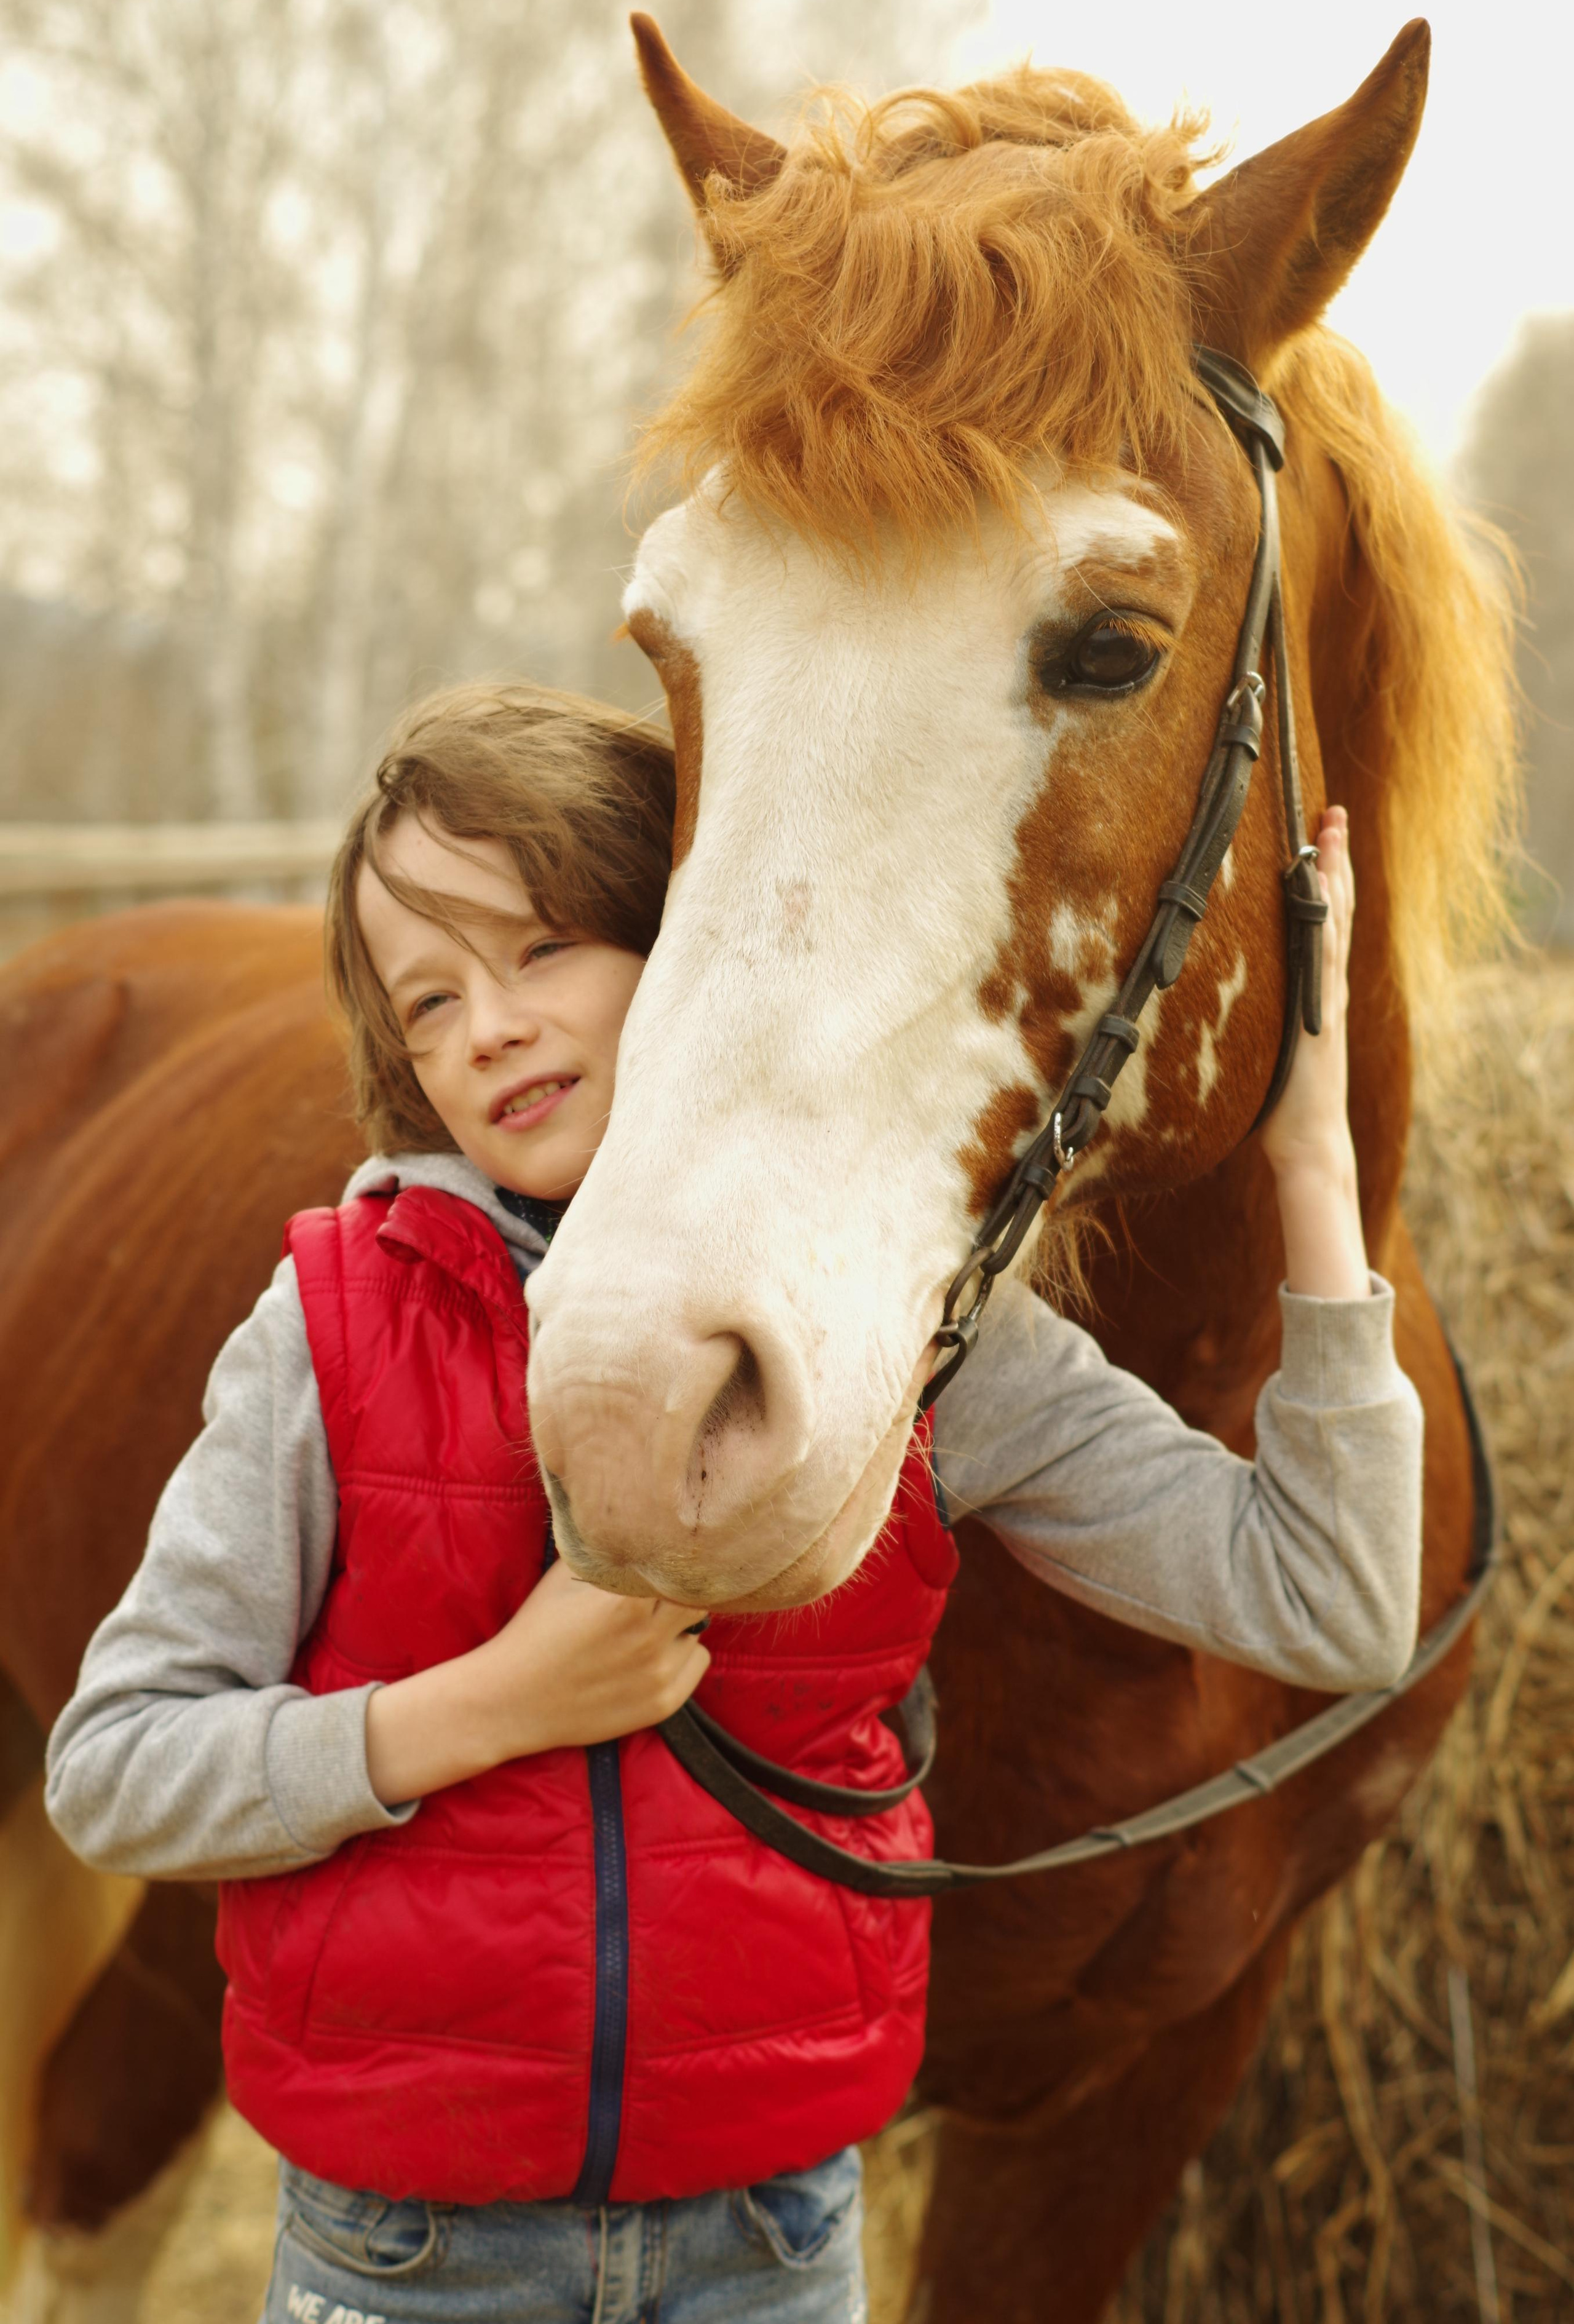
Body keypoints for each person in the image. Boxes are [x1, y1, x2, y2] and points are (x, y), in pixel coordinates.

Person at [46, 680, 1420, 2324]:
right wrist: (480, 1708)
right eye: (426, 1001)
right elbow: (115, 1770)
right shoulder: (329, 1332)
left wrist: (1315, 1176)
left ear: (689, 942)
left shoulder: (913, 1333)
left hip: (763, 2248)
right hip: (410, 2254)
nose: (483, 1026)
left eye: (542, 948)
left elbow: (1334, 1597)